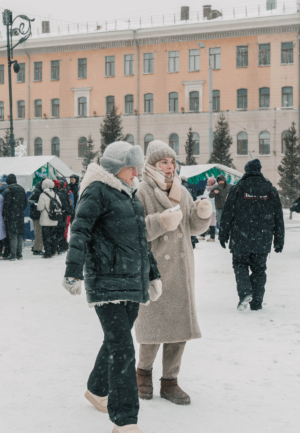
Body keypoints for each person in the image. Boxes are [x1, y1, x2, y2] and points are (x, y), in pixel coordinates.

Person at [63, 141, 161, 433]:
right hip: (107, 282)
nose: (136, 174)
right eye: (133, 168)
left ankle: (96, 389)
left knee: (115, 341)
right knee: (123, 348)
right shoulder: (97, 191)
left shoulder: (129, 196)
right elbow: (79, 231)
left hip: (132, 281)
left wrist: (152, 274)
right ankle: (125, 420)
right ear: (119, 168)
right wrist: (72, 272)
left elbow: (142, 241)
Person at [134, 141, 212, 406]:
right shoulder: (142, 192)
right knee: (153, 325)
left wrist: (202, 215)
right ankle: (142, 373)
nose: (169, 167)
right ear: (152, 165)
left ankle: (170, 381)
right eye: (163, 162)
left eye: (171, 162)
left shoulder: (183, 190)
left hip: (180, 268)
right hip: (154, 268)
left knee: (178, 327)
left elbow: (192, 226)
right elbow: (134, 231)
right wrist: (160, 222)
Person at [219, 159, 285, 311]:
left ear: (246, 171)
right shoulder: (271, 190)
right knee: (259, 269)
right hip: (263, 238)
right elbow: (278, 217)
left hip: (240, 237)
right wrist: (279, 240)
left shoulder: (237, 189)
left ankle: (245, 292)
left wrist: (223, 234)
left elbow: (227, 214)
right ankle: (256, 302)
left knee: (240, 265)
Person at [2, 174, 27, 261]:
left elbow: (6, 204)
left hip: (11, 215)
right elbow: (25, 203)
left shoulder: (8, 189)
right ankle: (19, 253)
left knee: (13, 234)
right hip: (20, 214)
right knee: (19, 234)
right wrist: (19, 210)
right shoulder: (21, 188)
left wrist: (5, 213)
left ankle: (13, 254)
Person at [36, 178, 60, 258]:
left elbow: (40, 208)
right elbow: (60, 205)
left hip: (45, 220)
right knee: (53, 236)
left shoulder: (43, 195)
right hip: (54, 219)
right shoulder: (55, 194)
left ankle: (48, 253)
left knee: (46, 237)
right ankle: (54, 251)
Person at [28, 178, 45, 256]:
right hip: (37, 214)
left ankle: (36, 247)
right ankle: (37, 249)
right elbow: (30, 200)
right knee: (39, 232)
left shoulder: (37, 189)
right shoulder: (38, 191)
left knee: (38, 232)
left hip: (36, 214)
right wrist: (38, 205)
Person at [198, 178, 217, 242]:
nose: (208, 183)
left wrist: (207, 199)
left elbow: (213, 198)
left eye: (209, 182)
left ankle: (212, 237)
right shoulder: (207, 188)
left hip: (213, 208)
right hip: (207, 207)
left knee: (212, 223)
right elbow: (205, 195)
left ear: (212, 183)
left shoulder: (216, 188)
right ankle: (202, 235)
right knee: (205, 221)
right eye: (208, 182)